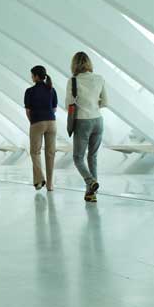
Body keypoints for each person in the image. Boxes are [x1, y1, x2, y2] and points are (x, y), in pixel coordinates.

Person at [65, 52, 108, 202]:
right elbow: (105, 103)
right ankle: (91, 194)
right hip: (98, 120)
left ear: (74, 64)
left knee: (78, 157)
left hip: (82, 121)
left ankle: (91, 182)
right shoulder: (99, 79)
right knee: (92, 156)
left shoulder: (73, 81)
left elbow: (68, 104)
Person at [25, 65, 58, 191]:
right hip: (51, 123)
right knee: (50, 153)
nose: (31, 77)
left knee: (35, 152)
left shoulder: (30, 91)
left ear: (37, 76)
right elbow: (54, 108)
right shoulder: (51, 89)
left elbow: (28, 111)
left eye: (32, 75)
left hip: (37, 122)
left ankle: (40, 179)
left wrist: (33, 122)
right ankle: (49, 185)